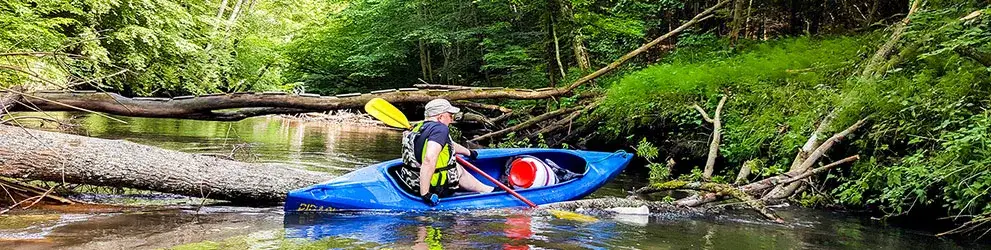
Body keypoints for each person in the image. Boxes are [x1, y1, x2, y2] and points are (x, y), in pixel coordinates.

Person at [397, 99, 495, 206]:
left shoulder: (418, 127)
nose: (452, 120)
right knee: (456, 168)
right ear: (440, 117)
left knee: (453, 165)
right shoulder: (440, 129)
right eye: (450, 116)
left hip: (411, 181)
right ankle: (488, 191)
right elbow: (429, 159)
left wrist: (469, 153)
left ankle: (486, 189)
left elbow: (449, 144)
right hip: (433, 187)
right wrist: (425, 194)